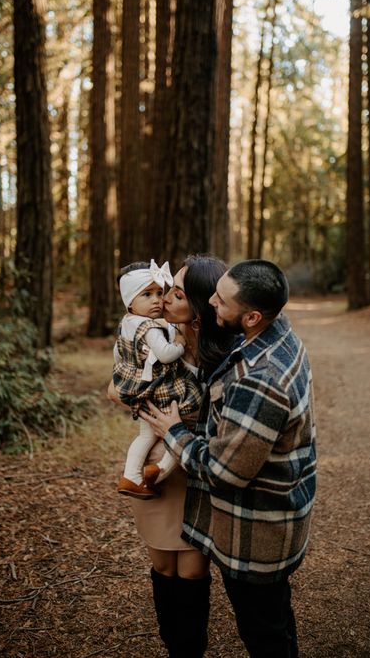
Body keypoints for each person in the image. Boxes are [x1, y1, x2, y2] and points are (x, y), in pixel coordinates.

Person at [141, 259, 316, 658]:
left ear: (252, 316)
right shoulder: (275, 335)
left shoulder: (260, 380)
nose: (212, 303)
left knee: (263, 633)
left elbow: (222, 472)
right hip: (277, 512)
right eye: (214, 292)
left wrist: (174, 432)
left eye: (220, 301)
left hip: (257, 531)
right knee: (274, 619)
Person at [108, 255, 235, 657]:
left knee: (193, 569)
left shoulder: (222, 347)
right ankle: (173, 644)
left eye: (175, 293)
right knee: (163, 565)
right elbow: (116, 387)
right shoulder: (154, 333)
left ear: (198, 304)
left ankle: (190, 648)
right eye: (163, 291)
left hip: (197, 463)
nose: (163, 299)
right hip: (157, 462)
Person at [113, 259, 203, 500]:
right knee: (183, 428)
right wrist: (179, 345)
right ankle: (160, 469)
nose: (156, 300)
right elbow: (165, 355)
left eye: (158, 293)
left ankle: (131, 476)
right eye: (147, 295)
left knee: (145, 436)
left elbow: (118, 355)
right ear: (130, 301)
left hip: (141, 390)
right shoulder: (150, 327)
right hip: (164, 391)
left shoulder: (126, 325)